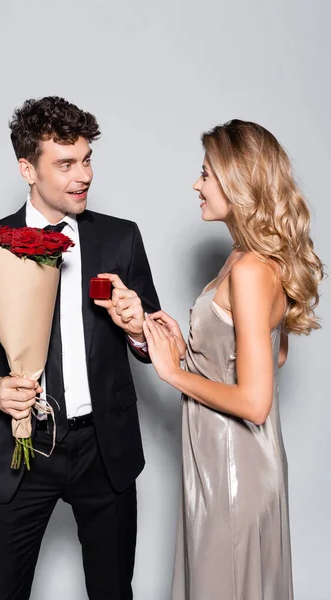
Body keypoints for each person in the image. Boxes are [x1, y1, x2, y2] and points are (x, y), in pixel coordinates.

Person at [0, 96, 160, 600]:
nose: (82, 175)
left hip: (104, 450)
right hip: (20, 454)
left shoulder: (120, 238)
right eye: (65, 163)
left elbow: (153, 343)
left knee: (113, 592)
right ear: (27, 168)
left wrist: (138, 330)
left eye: (87, 159)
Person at [142, 119, 324, 600]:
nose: (196, 184)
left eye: (206, 173)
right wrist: (189, 347)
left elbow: (255, 401)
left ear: (236, 180)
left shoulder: (248, 269)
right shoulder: (250, 258)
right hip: (227, 463)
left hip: (232, 472)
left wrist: (173, 373)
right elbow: (269, 355)